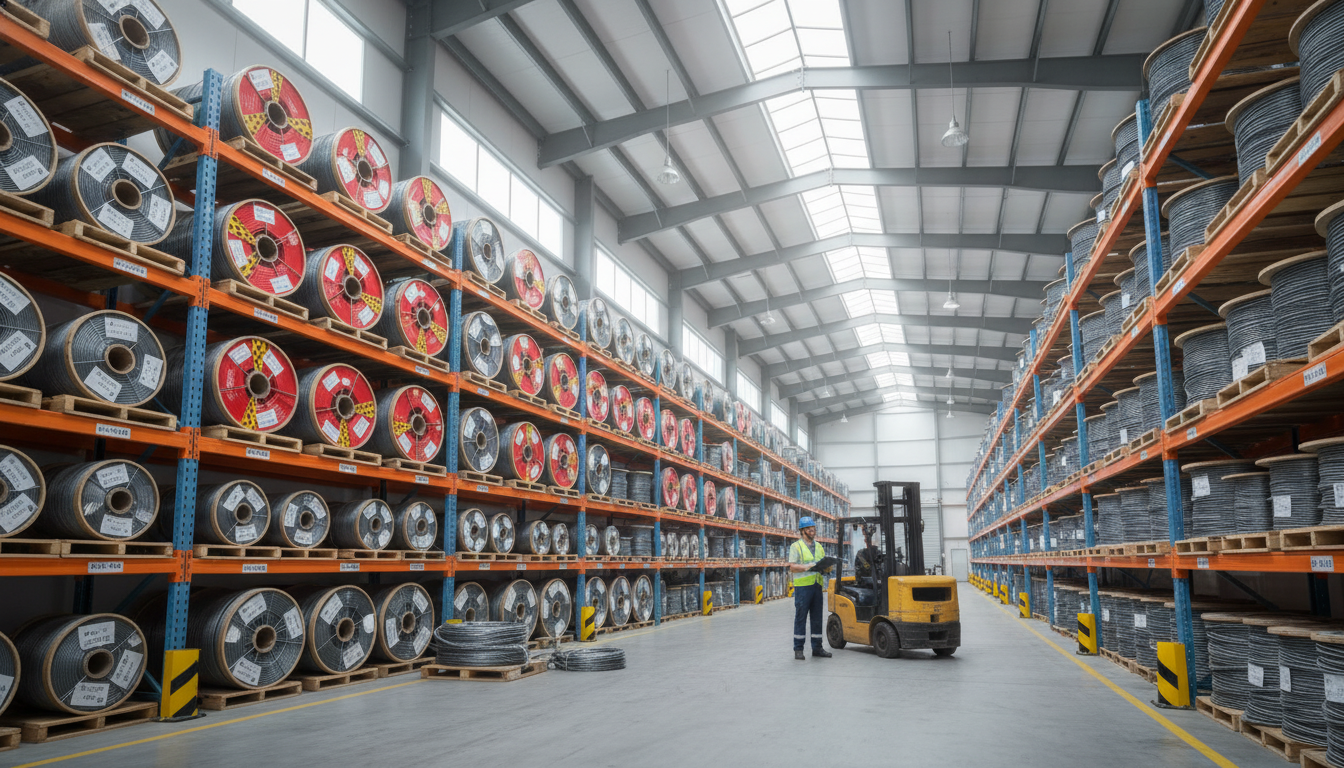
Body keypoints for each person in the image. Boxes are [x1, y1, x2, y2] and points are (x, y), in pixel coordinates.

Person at [788, 516, 833, 660]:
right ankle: (798, 649)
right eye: (809, 528)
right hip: (803, 587)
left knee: (817, 617)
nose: (812, 530)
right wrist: (808, 566)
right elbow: (793, 567)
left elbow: (823, 564)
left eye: (813, 528)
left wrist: (828, 567)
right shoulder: (796, 547)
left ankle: (817, 648)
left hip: (817, 586)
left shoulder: (819, 546)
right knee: (801, 617)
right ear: (802, 531)